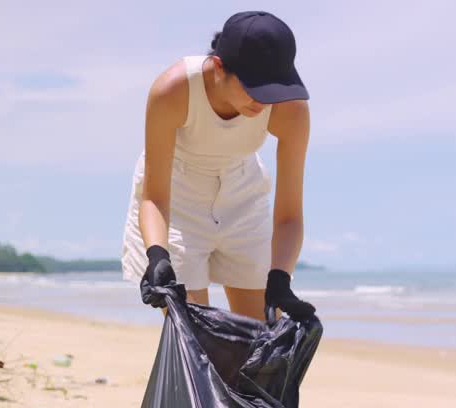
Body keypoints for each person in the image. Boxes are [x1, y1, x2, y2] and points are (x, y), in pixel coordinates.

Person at [121, 10, 316, 322]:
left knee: (262, 338)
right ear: (218, 67)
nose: (265, 102)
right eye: (256, 89)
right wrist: (157, 255)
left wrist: (280, 278)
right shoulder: (173, 90)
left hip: (243, 194)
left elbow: (289, 216)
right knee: (197, 335)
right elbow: (154, 197)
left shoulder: (290, 110)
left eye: (274, 90)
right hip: (176, 201)